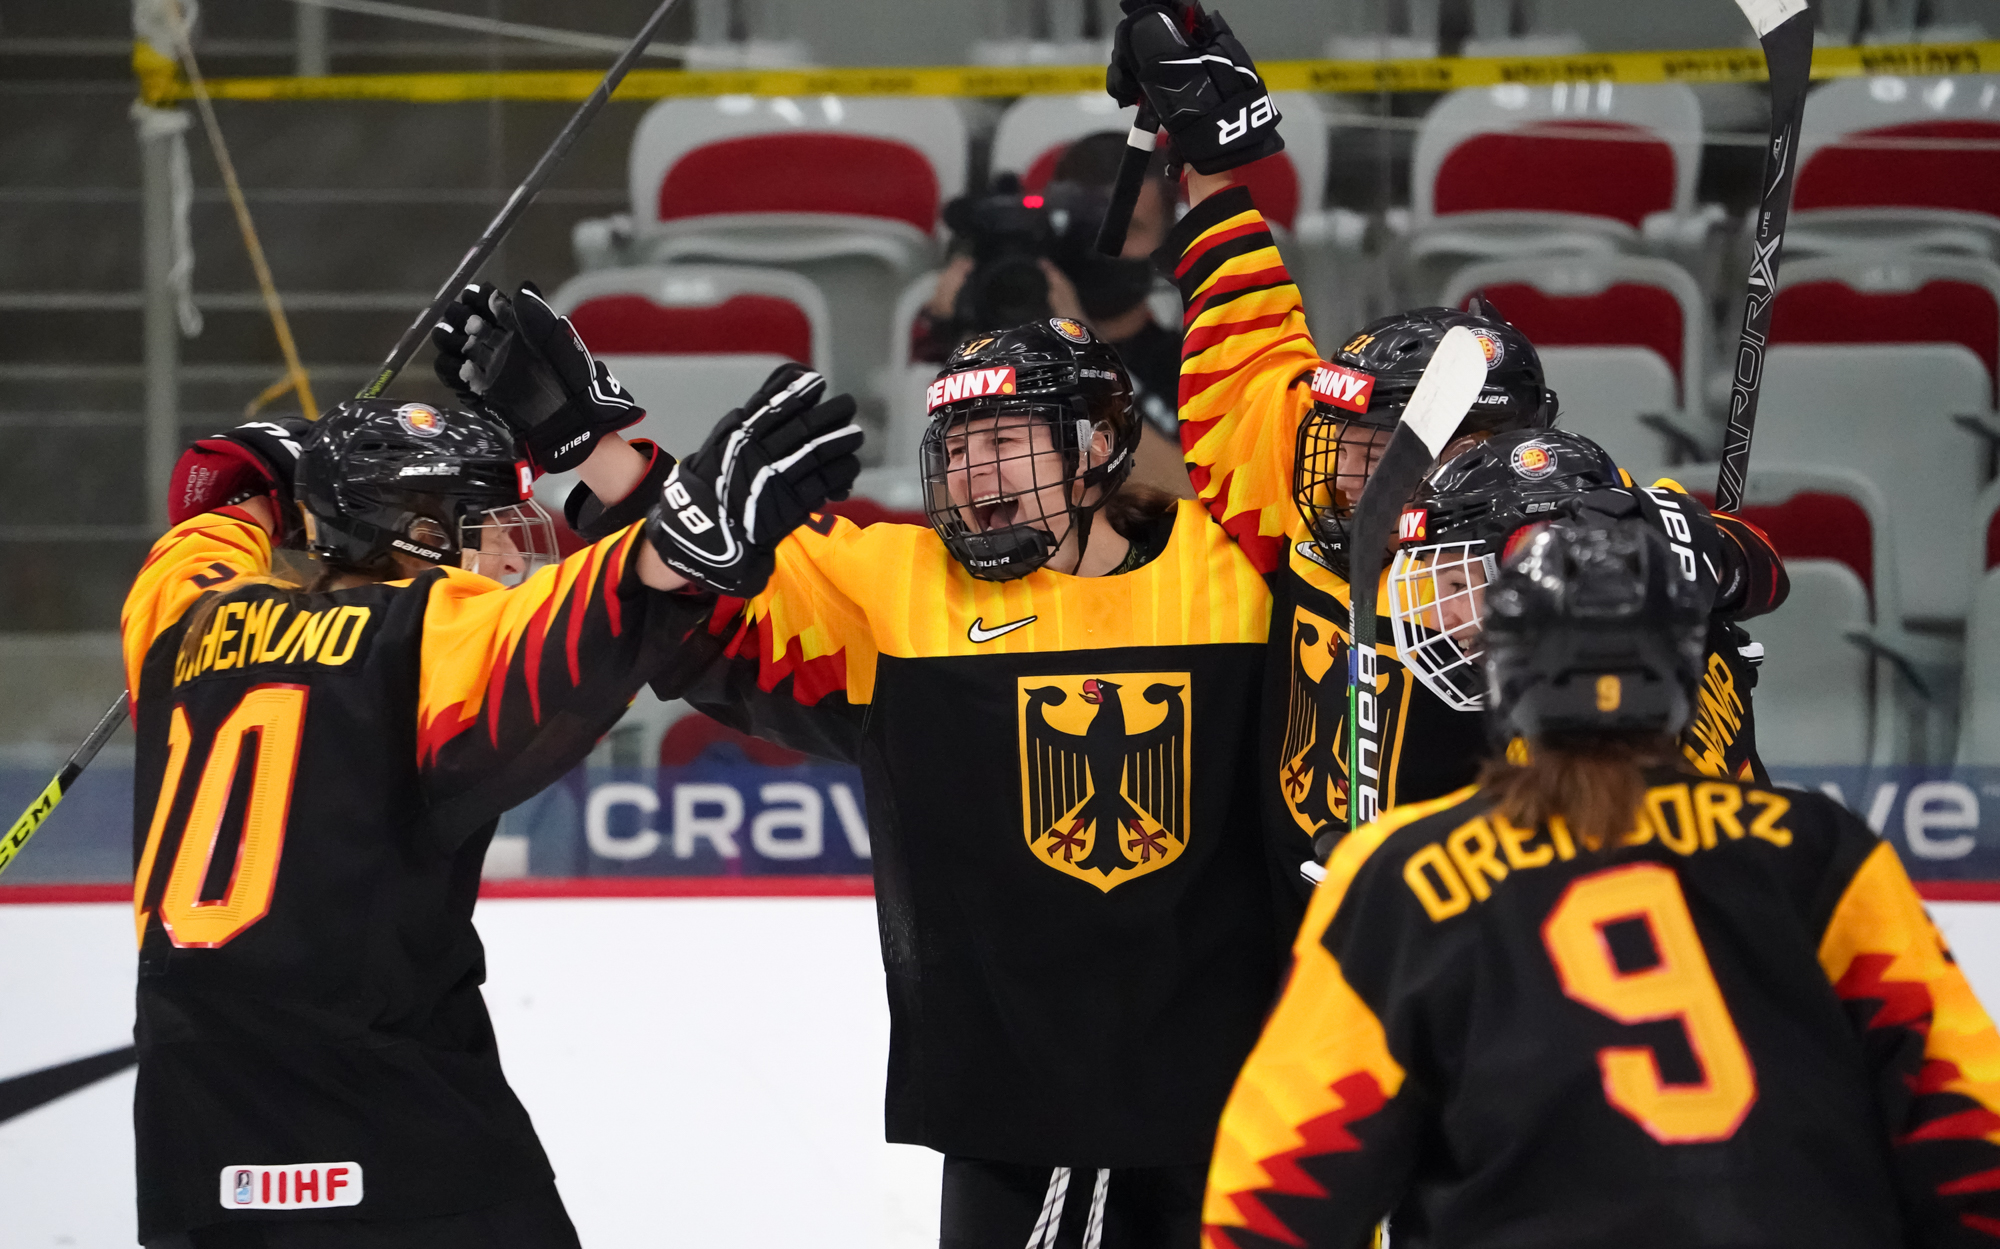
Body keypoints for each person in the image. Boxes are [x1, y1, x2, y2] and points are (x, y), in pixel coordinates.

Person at [449, 285, 1290, 1247]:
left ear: (1096, 446)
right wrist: (589, 444)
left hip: (1245, 1097)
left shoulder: (1237, 573)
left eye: (1002, 438)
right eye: (956, 447)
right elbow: (723, 558)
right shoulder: (905, 588)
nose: (972, 472)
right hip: (1028, 1111)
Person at [124, 327, 861, 1249]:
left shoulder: (185, 620)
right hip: (391, 1150)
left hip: (194, 1154)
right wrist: (676, 538)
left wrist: (275, 476)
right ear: (422, 536)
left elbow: (207, 509)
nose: (515, 556)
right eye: (490, 526)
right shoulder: (423, 634)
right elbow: (574, 627)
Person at [1111, 4, 1788, 884]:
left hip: (1489, 931)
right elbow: (1249, 341)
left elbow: (1753, 572)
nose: (1344, 464)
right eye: (1341, 436)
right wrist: (1212, 156)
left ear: (1482, 444)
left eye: (1382, 442)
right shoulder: (1321, 480)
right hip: (1307, 936)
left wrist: (1698, 557)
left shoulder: (1571, 531)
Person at [1202, 514, 2000, 1248]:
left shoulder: (1405, 870)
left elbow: (1278, 1183)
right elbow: (1967, 1114)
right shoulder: (1819, 850)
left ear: (1507, 675)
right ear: (1686, 669)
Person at [1387, 427, 1789, 783]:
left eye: (1458, 585)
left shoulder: (1571, 731)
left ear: (1532, 562)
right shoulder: (1662, 629)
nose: (1439, 617)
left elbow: (1762, 574)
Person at [916, 133, 1190, 496]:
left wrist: (1084, 359)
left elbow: (1190, 496)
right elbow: (954, 502)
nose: (1106, 247)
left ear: (1169, 240)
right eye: (1088, 228)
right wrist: (965, 347)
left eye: (1128, 228)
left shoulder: (1192, 367)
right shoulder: (1007, 356)